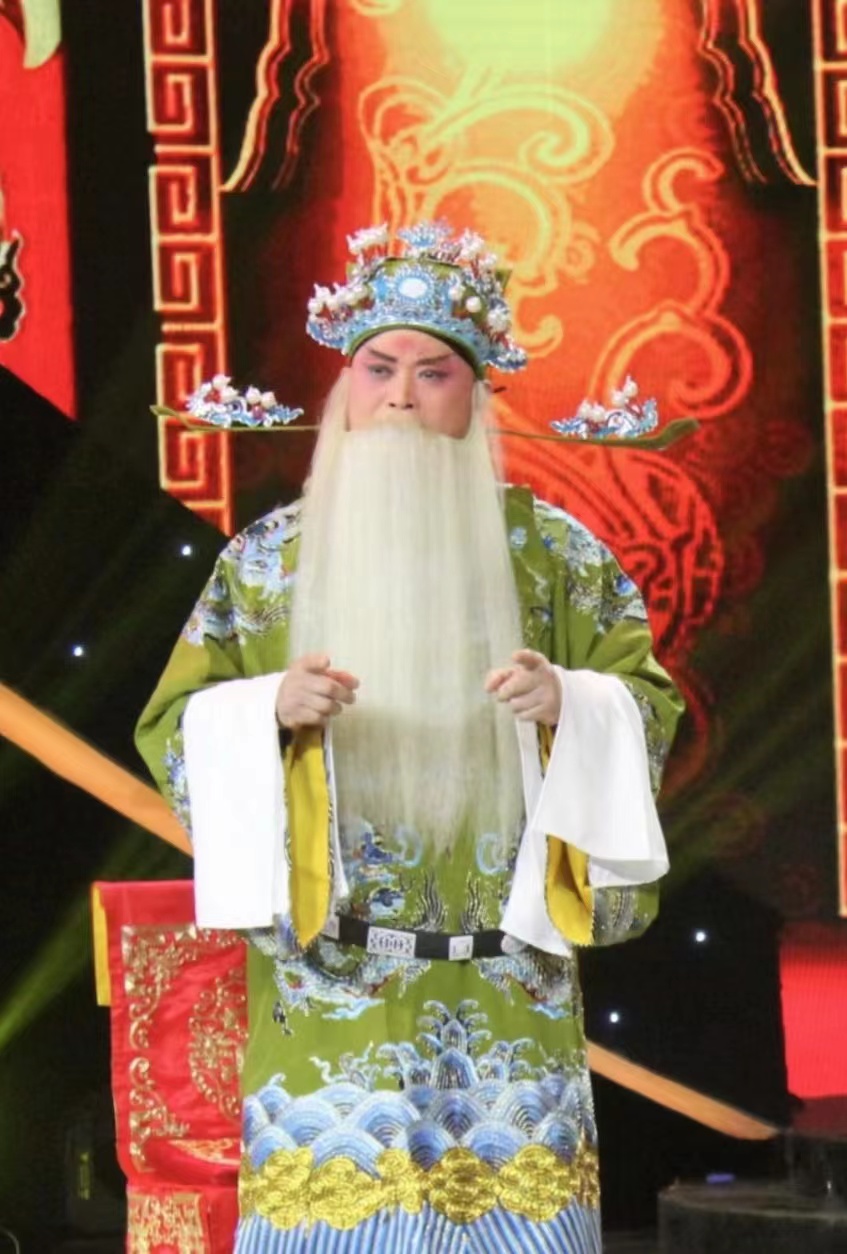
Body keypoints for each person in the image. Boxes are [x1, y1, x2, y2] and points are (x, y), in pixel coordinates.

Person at [136, 221, 683, 1253]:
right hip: (329, 987)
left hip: (510, 978)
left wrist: (571, 705)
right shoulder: (265, 562)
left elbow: (648, 705)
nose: (400, 396)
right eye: (378, 368)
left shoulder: (555, 556)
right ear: (344, 386)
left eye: (433, 373)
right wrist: (264, 711)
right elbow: (172, 721)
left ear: (475, 397)